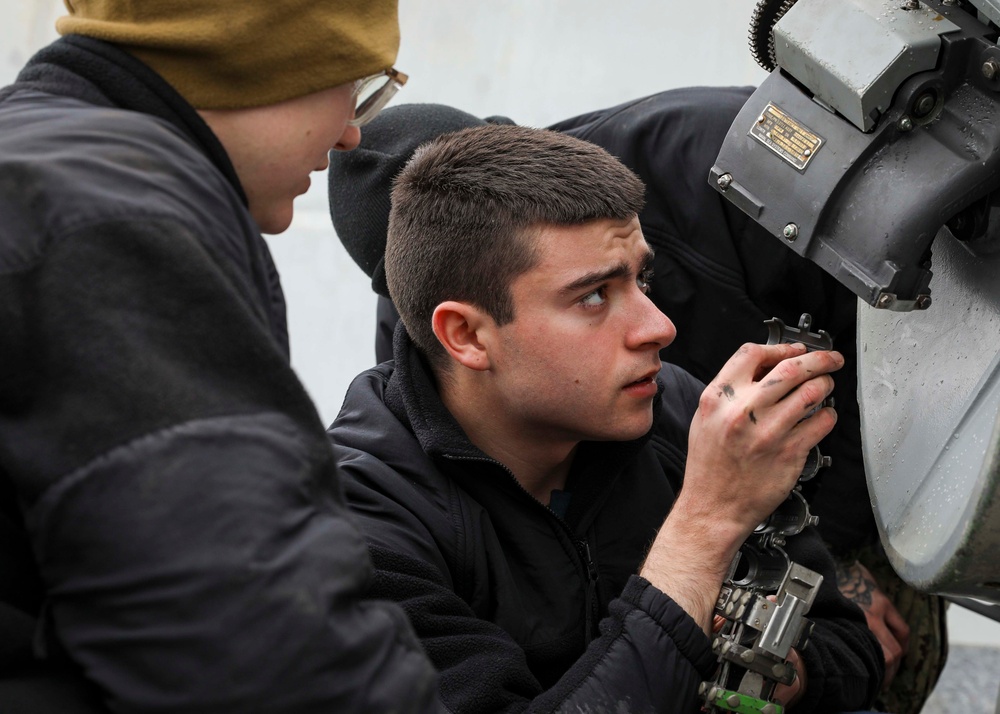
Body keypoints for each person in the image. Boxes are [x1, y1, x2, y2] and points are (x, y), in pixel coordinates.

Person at [328, 95, 947, 714]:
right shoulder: (358, 536)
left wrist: (760, 671)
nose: (659, 327)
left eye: (640, 279)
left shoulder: (674, 407)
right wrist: (705, 526)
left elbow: (850, 650)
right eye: (594, 297)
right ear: (464, 336)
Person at [0, 2, 445, 712]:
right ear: (259, 61)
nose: (353, 131)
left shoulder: (41, 162)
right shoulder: (114, 221)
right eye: (354, 83)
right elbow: (260, 648)